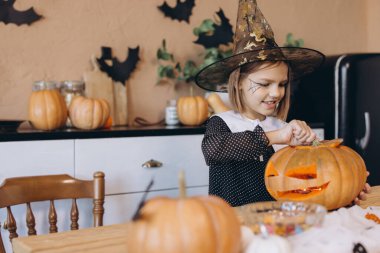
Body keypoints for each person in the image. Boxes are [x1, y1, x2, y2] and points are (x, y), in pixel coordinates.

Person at [194, 0, 370, 207]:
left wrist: (347, 186)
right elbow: (214, 150)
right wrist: (276, 137)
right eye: (264, 83)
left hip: (277, 224)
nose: (276, 93)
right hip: (235, 223)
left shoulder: (281, 127)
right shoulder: (223, 123)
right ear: (239, 83)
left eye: (282, 84)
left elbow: (312, 183)